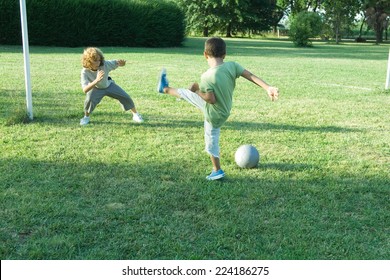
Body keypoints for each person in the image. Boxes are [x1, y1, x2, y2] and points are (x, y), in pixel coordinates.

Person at [157, 37, 279, 181]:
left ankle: (217, 170)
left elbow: (210, 99)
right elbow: (249, 75)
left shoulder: (207, 77)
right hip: (224, 109)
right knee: (186, 93)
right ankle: (164, 88)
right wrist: (267, 87)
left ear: (205, 54)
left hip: (214, 113)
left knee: (211, 140)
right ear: (224, 55)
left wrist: (197, 91)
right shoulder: (232, 66)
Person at [79, 47, 143, 125]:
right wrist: (96, 80)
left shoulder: (105, 64)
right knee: (89, 101)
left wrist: (122, 64)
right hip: (95, 88)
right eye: (95, 60)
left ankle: (135, 115)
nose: (98, 63)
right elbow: (85, 90)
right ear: (88, 61)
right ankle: (86, 117)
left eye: (99, 60)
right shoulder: (84, 72)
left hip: (108, 85)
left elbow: (117, 63)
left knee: (125, 97)